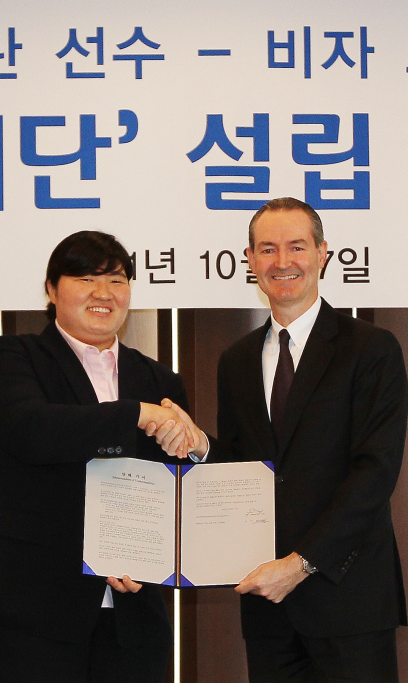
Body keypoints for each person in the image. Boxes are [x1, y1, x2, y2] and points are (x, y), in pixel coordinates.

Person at [152, 197, 408, 682]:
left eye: (296, 247)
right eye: (267, 249)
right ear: (249, 261)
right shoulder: (237, 359)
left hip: (348, 595)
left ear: (323, 254)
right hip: (269, 606)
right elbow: (247, 465)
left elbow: (375, 471)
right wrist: (199, 446)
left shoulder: (370, 348)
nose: (282, 262)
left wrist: (302, 564)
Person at [0, 230, 193, 683]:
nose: (104, 293)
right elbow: (30, 430)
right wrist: (133, 416)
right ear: (51, 288)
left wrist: (156, 557)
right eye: (87, 278)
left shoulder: (160, 380)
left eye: (118, 280)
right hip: (30, 613)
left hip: (134, 619)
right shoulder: (11, 357)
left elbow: (176, 488)